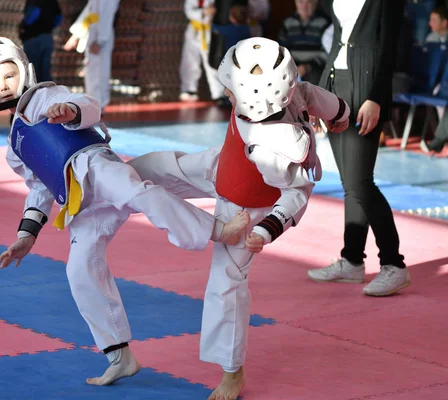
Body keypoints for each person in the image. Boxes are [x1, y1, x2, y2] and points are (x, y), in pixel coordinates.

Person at [0, 36, 250, 387]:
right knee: (79, 270)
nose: (3, 86)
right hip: (82, 204)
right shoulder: (15, 146)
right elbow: (40, 188)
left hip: (99, 170)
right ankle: (119, 355)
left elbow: (86, 103)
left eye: (8, 76)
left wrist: (70, 111)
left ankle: (216, 229)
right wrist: (26, 235)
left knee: (141, 193)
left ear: (24, 72)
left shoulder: (47, 96)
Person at [128, 37, 350, 400]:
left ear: (259, 99)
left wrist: (266, 229)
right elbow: (310, 93)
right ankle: (106, 183)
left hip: (245, 209)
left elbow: (296, 195)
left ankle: (232, 372)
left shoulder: (274, 149)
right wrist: (339, 113)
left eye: (232, 93)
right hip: (224, 164)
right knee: (160, 166)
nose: (228, 97)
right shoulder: (286, 92)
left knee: (225, 284)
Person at [307, 0, 410, 296]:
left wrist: (376, 98)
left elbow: (391, 48)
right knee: (349, 184)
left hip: (366, 90)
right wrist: (318, 97)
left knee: (361, 182)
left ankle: (394, 265)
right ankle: (352, 260)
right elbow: (337, 45)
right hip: (336, 84)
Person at [63, 0, 118, 111]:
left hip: (99, 40)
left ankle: (98, 107)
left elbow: (106, 17)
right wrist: (76, 35)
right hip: (93, 35)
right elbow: (89, 14)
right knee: (92, 74)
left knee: (99, 75)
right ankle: (94, 107)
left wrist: (100, 41)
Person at [178, 0, 225, 103]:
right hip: (194, 29)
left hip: (209, 29)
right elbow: (188, 11)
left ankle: (218, 93)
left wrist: (210, 13)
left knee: (211, 61)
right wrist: (204, 12)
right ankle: (189, 89)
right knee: (189, 60)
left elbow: (218, 10)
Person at [278, 0, 330, 84]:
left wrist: (308, 67)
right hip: (291, 65)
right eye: (301, 2)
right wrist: (292, 65)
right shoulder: (288, 22)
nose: (304, 7)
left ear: (315, 4)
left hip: (315, 67)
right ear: (295, 3)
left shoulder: (325, 22)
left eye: (309, 2)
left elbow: (327, 52)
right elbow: (282, 49)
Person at [19, 0, 62, 83]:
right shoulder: (53, 2)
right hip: (47, 38)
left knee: (33, 73)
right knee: (45, 72)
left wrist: (23, 25)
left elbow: (34, 13)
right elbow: (59, 18)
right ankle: (48, 94)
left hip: (33, 38)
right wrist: (49, 27)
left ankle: (36, 95)